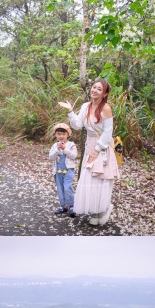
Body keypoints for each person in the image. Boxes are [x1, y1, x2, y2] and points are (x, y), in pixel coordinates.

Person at [58, 80, 119, 226]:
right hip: (89, 145)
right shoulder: (86, 106)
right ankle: (96, 212)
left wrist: (96, 151)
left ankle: (104, 210)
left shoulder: (106, 109)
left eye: (99, 89)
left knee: (100, 178)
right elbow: (78, 125)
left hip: (102, 148)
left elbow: (107, 133)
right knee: (90, 179)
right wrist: (70, 111)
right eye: (94, 87)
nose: (95, 90)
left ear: (105, 93)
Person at [48, 122, 78, 218]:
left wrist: (65, 149)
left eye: (63, 134)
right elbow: (51, 157)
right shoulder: (54, 146)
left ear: (68, 134)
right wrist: (57, 149)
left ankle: (71, 205)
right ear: (55, 135)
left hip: (68, 170)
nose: (61, 136)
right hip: (58, 171)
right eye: (59, 134)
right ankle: (64, 205)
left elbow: (74, 156)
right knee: (60, 188)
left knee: (67, 187)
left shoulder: (71, 145)